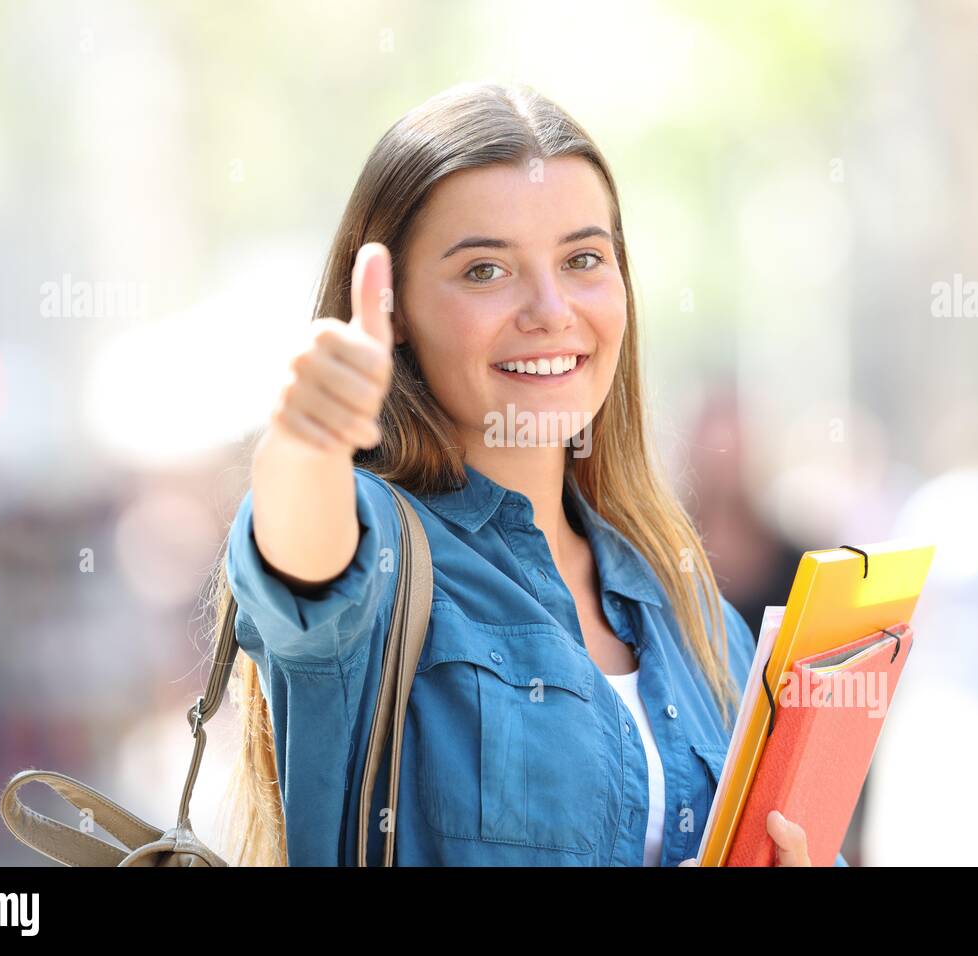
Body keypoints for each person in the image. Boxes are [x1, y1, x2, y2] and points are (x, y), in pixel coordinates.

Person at [209, 81, 847, 867]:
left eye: (583, 259)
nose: (550, 309)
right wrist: (306, 439)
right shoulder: (375, 558)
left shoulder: (691, 609)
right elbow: (298, 548)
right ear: (396, 309)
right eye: (485, 270)